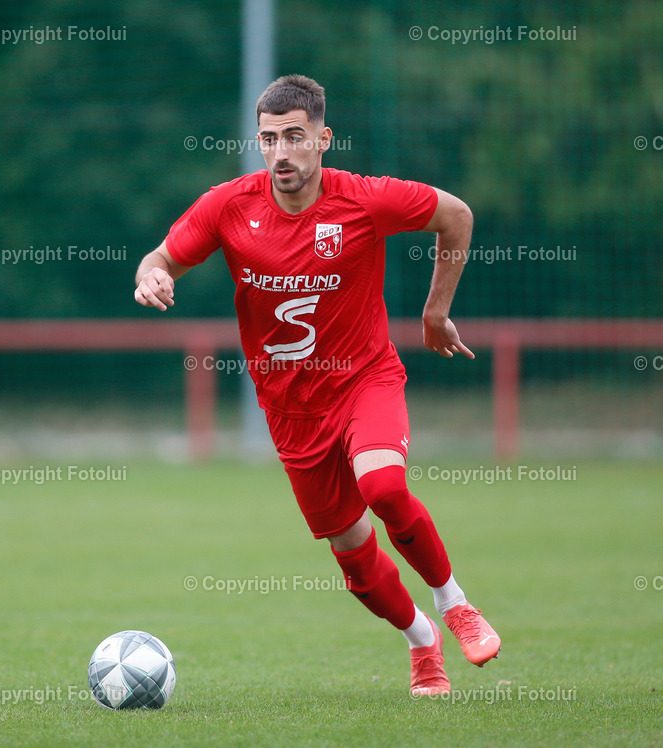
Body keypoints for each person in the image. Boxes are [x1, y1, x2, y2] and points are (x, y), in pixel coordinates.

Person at [133, 74, 499, 695]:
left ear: (323, 139)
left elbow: (456, 215)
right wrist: (152, 276)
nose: (281, 152)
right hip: (290, 409)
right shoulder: (228, 205)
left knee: (382, 484)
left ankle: (455, 604)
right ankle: (422, 644)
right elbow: (161, 256)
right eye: (269, 138)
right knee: (354, 559)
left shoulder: (364, 199)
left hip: (365, 379)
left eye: (295, 137)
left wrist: (435, 312)